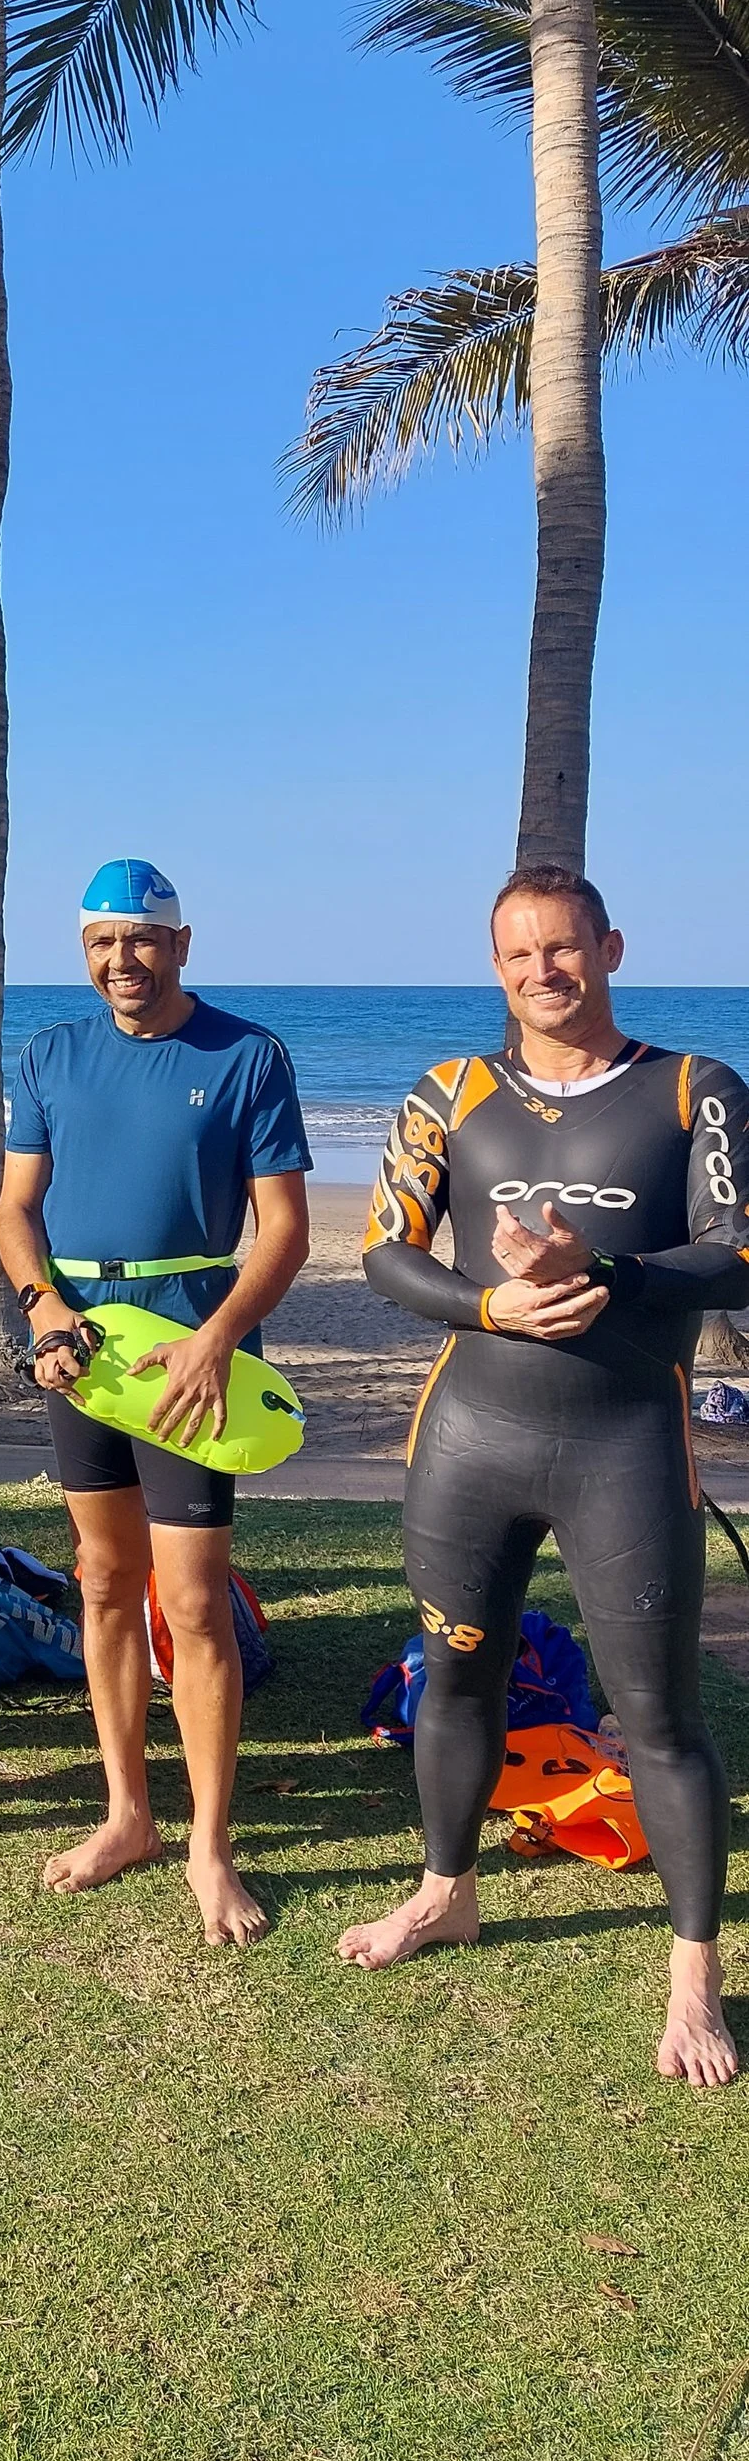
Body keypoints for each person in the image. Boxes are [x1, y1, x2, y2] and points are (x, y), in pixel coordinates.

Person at [339, 866, 749, 2088]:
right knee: (455, 1684)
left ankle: (693, 1978)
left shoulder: (692, 1090)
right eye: (517, 956)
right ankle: (442, 1892)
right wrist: (492, 1303)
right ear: (495, 964)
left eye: (562, 950)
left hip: (626, 1443)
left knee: (660, 1719)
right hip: (471, 1440)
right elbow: (380, 1253)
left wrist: (608, 1274)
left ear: (609, 948)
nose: (541, 974)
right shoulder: (449, 1094)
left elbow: (738, 1252)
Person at [0, 860, 310, 1945]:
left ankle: (208, 1846)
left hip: (192, 1355)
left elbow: (280, 1230)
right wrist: (40, 1311)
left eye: (139, 941)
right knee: (102, 1582)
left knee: (192, 1601)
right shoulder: (48, 1055)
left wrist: (216, 1340)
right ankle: (127, 1813)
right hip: (81, 1352)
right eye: (99, 944)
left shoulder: (246, 1057)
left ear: (179, 945)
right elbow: (15, 1211)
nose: (119, 962)